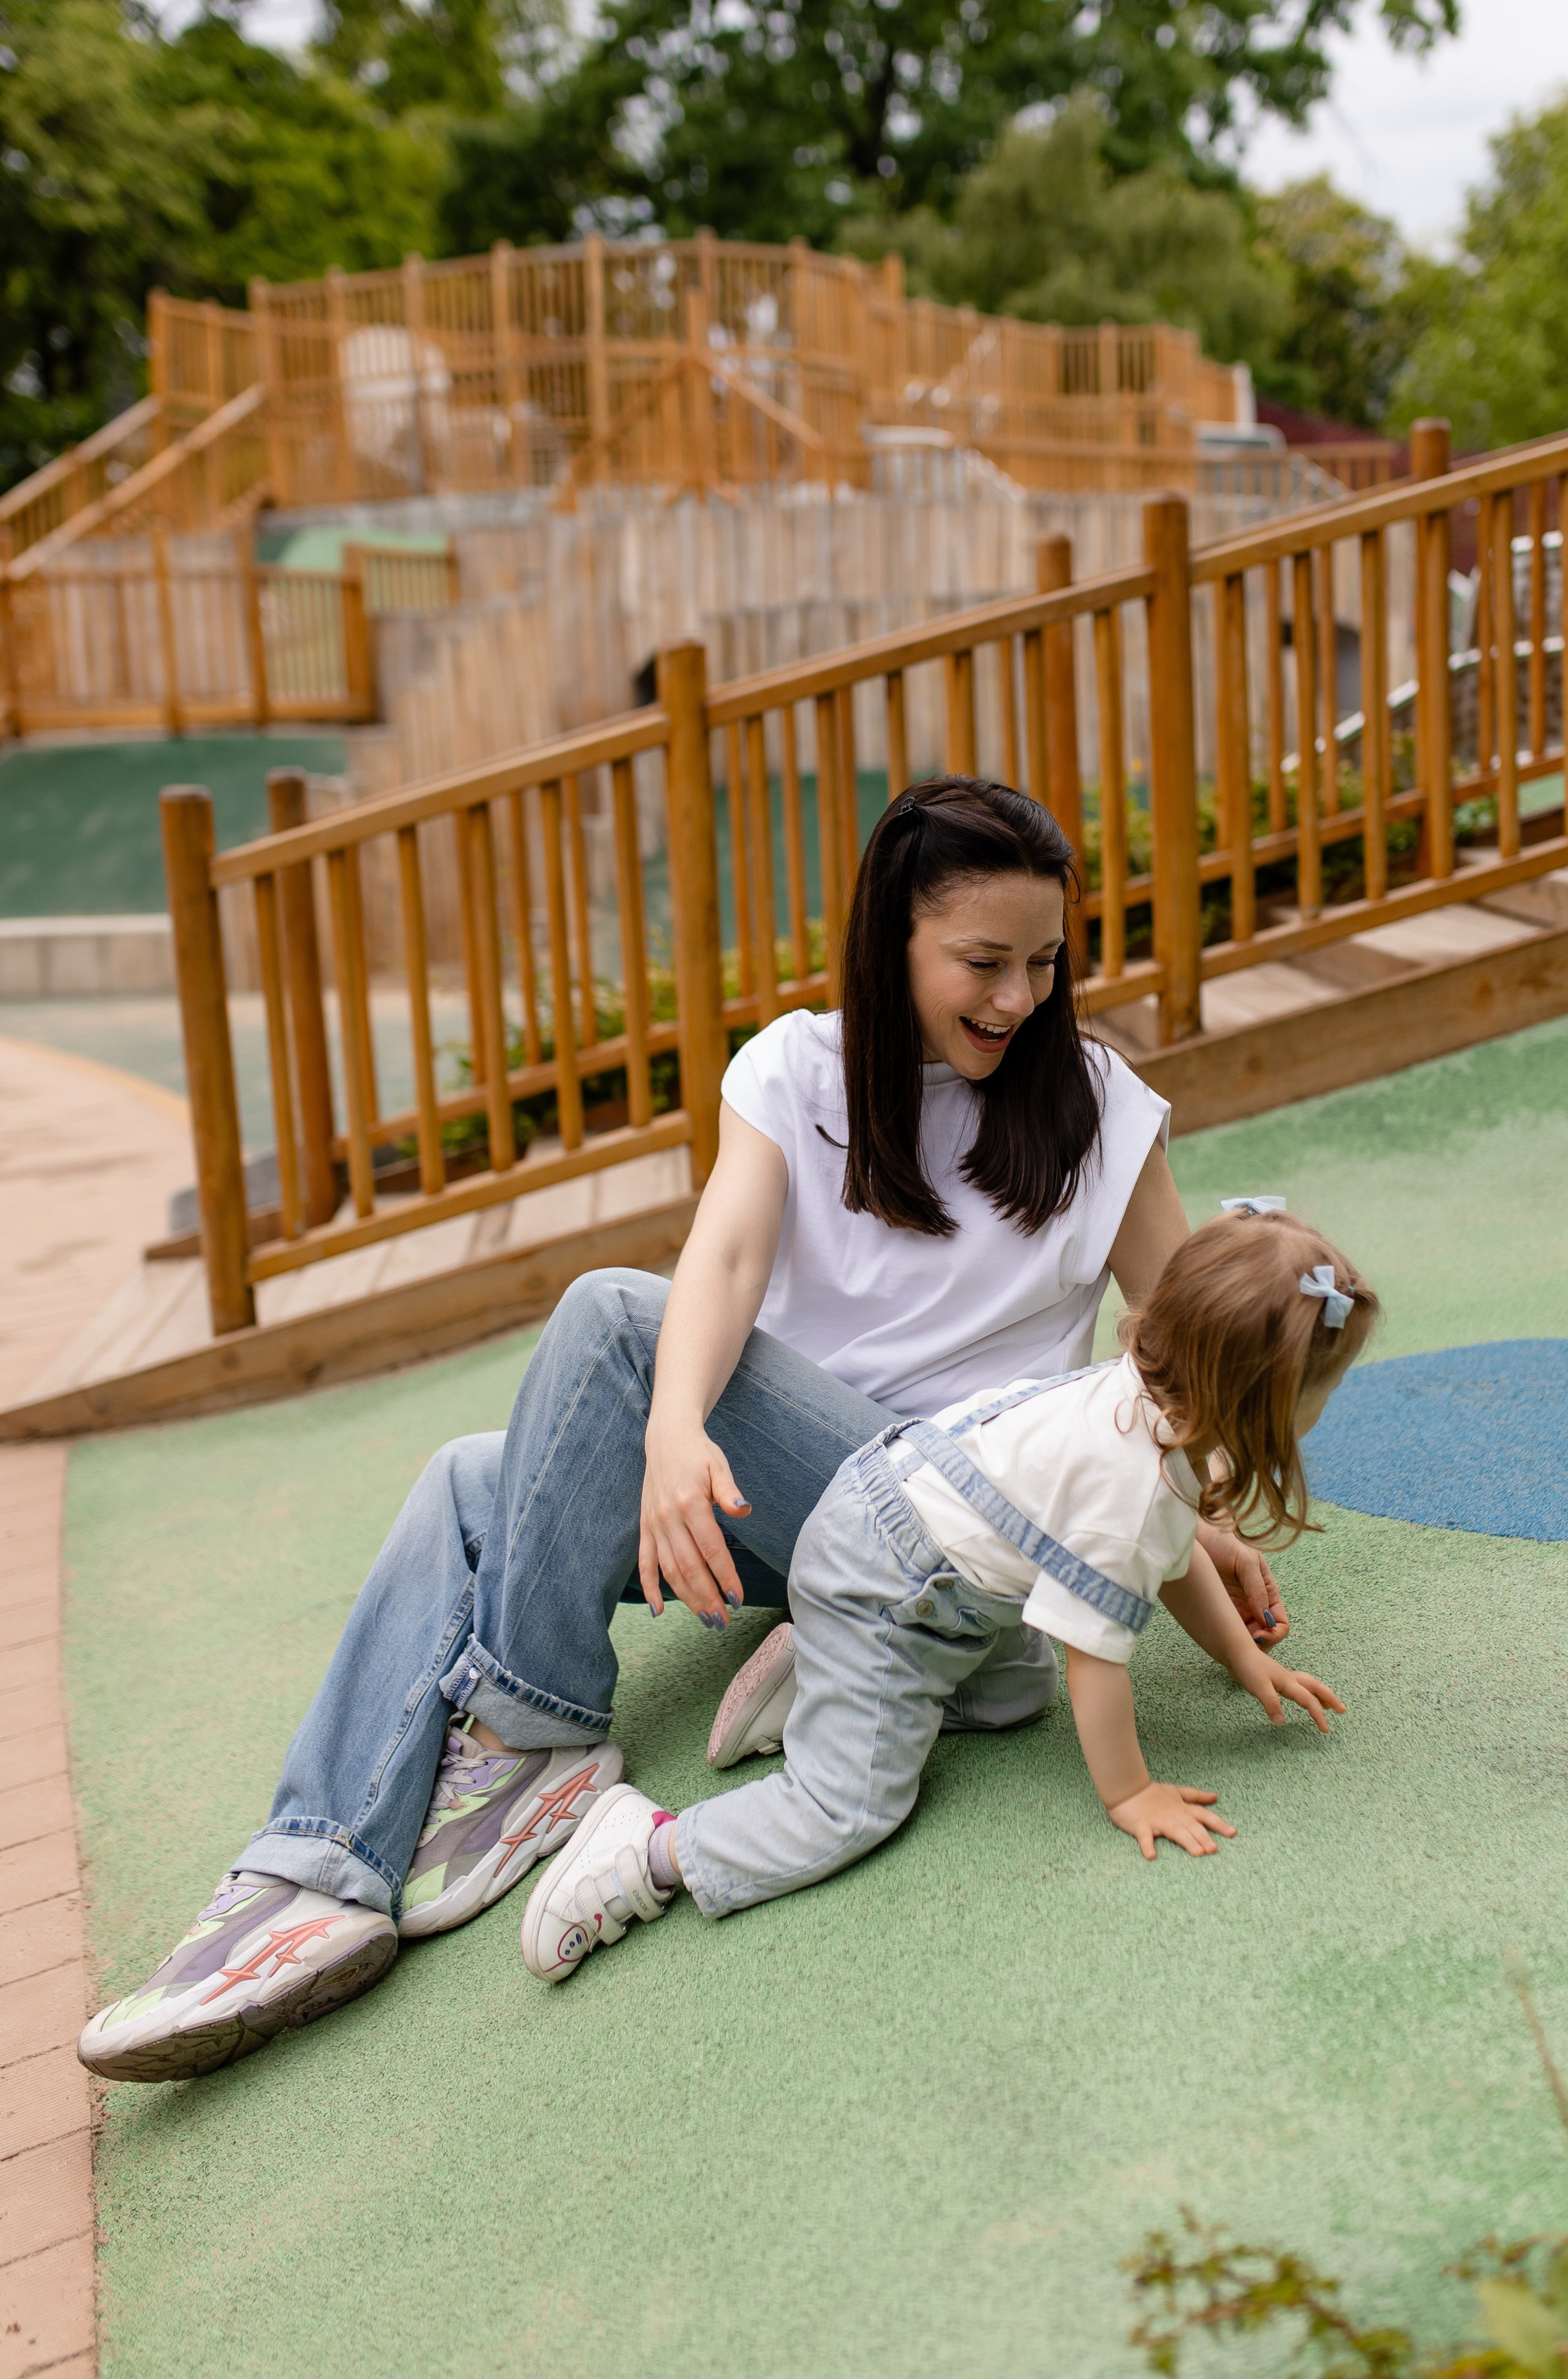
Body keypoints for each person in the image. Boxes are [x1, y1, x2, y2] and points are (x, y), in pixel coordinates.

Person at [79, 777, 1293, 2084]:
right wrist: (674, 1438)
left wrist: (1200, 1523)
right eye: (983, 963)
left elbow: (1187, 1348)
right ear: (894, 943)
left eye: (1044, 964)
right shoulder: (794, 1070)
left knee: (597, 1340)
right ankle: (312, 1878)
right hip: (796, 1499)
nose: (1018, 1000)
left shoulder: (1100, 1107)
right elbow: (718, 1266)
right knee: (470, 1479)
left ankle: (535, 1734)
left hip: (957, 1519)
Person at [518, 1205, 1373, 1975]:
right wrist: (1129, 1791)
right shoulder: (1132, 1488)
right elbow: (1098, 1662)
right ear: (1254, 1399)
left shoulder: (1151, 1403)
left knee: (1019, 1688)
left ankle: (822, 1679)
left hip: (900, 1531)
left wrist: (1241, 1659)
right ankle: (651, 1849)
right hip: (887, 1584)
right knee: (851, 1808)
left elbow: (1173, 1554)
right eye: (1320, 1391)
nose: (1325, 1407)